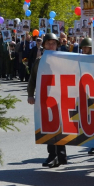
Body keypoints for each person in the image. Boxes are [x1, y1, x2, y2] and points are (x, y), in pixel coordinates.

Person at [28, 32, 67, 168]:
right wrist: (30, 95)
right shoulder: (39, 61)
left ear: (57, 45)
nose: (51, 45)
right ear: (44, 45)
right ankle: (52, 154)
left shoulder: (65, 59)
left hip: (61, 98)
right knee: (48, 126)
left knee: (61, 126)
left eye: (54, 43)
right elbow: (32, 79)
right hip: (45, 98)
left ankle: (61, 155)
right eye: (48, 43)